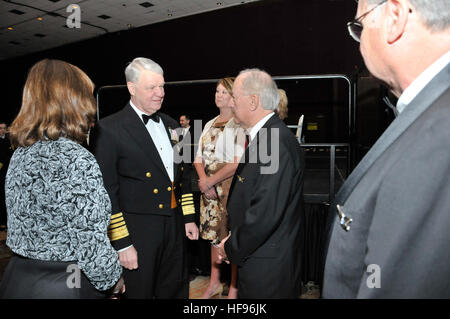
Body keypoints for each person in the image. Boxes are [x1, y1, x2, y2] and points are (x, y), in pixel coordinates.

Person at [323, 0, 450, 298]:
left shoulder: (436, 134)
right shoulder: (430, 112)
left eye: (360, 26)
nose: (359, 43)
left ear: (394, 17)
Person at [0, 59, 124, 298]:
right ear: (74, 100)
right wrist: (113, 279)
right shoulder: (77, 159)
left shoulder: (20, 154)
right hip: (66, 282)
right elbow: (89, 242)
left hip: (18, 279)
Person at [90, 57, 199, 299]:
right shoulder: (109, 129)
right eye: (152, 87)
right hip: (138, 230)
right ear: (131, 88)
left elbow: (185, 177)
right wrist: (122, 243)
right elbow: (106, 192)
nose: (160, 93)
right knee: (140, 291)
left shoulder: (174, 126)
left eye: (162, 86)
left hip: (174, 224)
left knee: (174, 288)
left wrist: (189, 217)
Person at [217, 69, 305, 298]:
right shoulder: (267, 136)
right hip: (260, 258)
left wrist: (230, 246)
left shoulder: (273, 142)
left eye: (234, 98)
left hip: (268, 270)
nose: (231, 103)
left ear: (253, 101)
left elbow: (264, 213)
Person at [193, 77, 245, 299]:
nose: (219, 95)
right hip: (208, 190)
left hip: (228, 190)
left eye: (224, 92)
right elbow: (197, 157)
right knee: (213, 238)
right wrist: (204, 180)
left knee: (230, 237)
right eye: (217, 91)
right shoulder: (209, 123)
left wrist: (211, 182)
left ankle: (234, 286)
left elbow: (236, 163)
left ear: (234, 96)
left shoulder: (240, 124)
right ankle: (214, 283)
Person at [0, 121, 13, 230]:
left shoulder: (9, 141)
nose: (2, 130)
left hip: (8, 173)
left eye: (4, 128)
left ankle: (6, 221)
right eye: (0, 128)